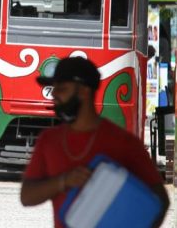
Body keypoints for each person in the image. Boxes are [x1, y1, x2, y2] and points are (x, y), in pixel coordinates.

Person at [20, 57, 169, 227]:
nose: (54, 94)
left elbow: (161, 201)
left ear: (84, 91)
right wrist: (64, 181)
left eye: (61, 88)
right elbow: (26, 196)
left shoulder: (124, 142)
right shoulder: (48, 140)